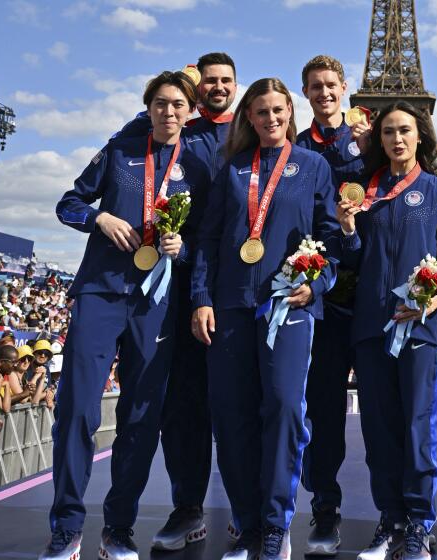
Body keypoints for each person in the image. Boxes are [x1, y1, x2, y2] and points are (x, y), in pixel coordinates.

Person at [42, 70, 210, 560]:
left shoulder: (198, 167)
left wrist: (184, 246)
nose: (170, 112)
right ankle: (66, 527)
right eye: (161, 103)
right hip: (101, 291)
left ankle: (118, 527)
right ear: (148, 106)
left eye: (179, 104)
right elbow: (68, 202)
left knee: (141, 415)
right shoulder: (119, 153)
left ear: (191, 110)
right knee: (76, 407)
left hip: (156, 302)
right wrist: (100, 217)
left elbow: (208, 242)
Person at [191, 77, 341, 560]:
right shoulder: (231, 167)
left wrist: (315, 284)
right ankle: (247, 523)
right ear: (248, 118)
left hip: (289, 305)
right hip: (231, 304)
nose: (271, 119)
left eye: (279, 110)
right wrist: (200, 298)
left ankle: (277, 525)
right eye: (261, 112)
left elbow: (330, 238)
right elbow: (209, 241)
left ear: (290, 113)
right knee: (231, 413)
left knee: (283, 408)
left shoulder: (314, 166)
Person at [336, 100, 437, 560]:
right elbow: (352, 261)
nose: (397, 138)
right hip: (372, 325)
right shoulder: (364, 194)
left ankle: (419, 524)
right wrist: (349, 231)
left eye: (405, 130)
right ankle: (390, 519)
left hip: (422, 327)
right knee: (379, 430)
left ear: (421, 137)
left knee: (418, 428)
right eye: (389, 131)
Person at [146, 52, 240, 554]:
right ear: (195, 86)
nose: (218, 88)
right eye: (208, 81)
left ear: (236, 84)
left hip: (240, 286)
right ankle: (188, 507)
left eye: (226, 80)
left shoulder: (254, 132)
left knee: (239, 402)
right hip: (182, 284)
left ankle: (247, 507)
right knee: (183, 405)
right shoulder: (177, 126)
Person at [295, 54, 369, 555]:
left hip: (372, 299)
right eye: (315, 87)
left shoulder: (371, 142)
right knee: (322, 414)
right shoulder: (295, 148)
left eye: (330, 85)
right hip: (323, 300)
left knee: (388, 413)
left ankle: (399, 513)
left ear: (344, 88)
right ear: (307, 93)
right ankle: (325, 508)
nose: (324, 93)